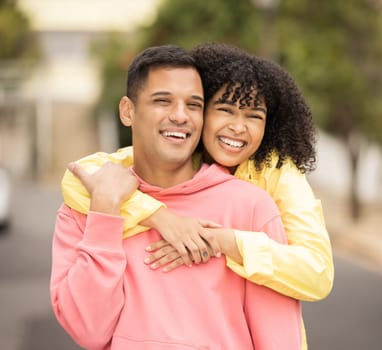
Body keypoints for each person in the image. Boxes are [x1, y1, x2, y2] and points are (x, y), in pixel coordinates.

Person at [62, 43, 334, 348]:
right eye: (225, 110)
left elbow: (315, 273)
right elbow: (81, 176)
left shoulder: (271, 183)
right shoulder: (152, 168)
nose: (237, 127)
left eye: (254, 116)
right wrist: (162, 218)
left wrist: (220, 240)